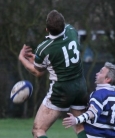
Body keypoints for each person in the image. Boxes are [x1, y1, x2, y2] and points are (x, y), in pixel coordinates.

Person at [18, 10, 88, 138]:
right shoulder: (72, 31)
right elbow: (60, 56)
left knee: (38, 130)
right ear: (64, 24)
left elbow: (37, 72)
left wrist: (22, 59)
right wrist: (44, 61)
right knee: (80, 127)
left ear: (46, 29)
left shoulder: (44, 48)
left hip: (61, 91)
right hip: (80, 87)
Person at [62, 62, 115, 138]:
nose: (97, 73)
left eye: (101, 72)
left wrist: (76, 120)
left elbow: (92, 113)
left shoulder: (100, 94)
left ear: (107, 79)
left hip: (96, 135)